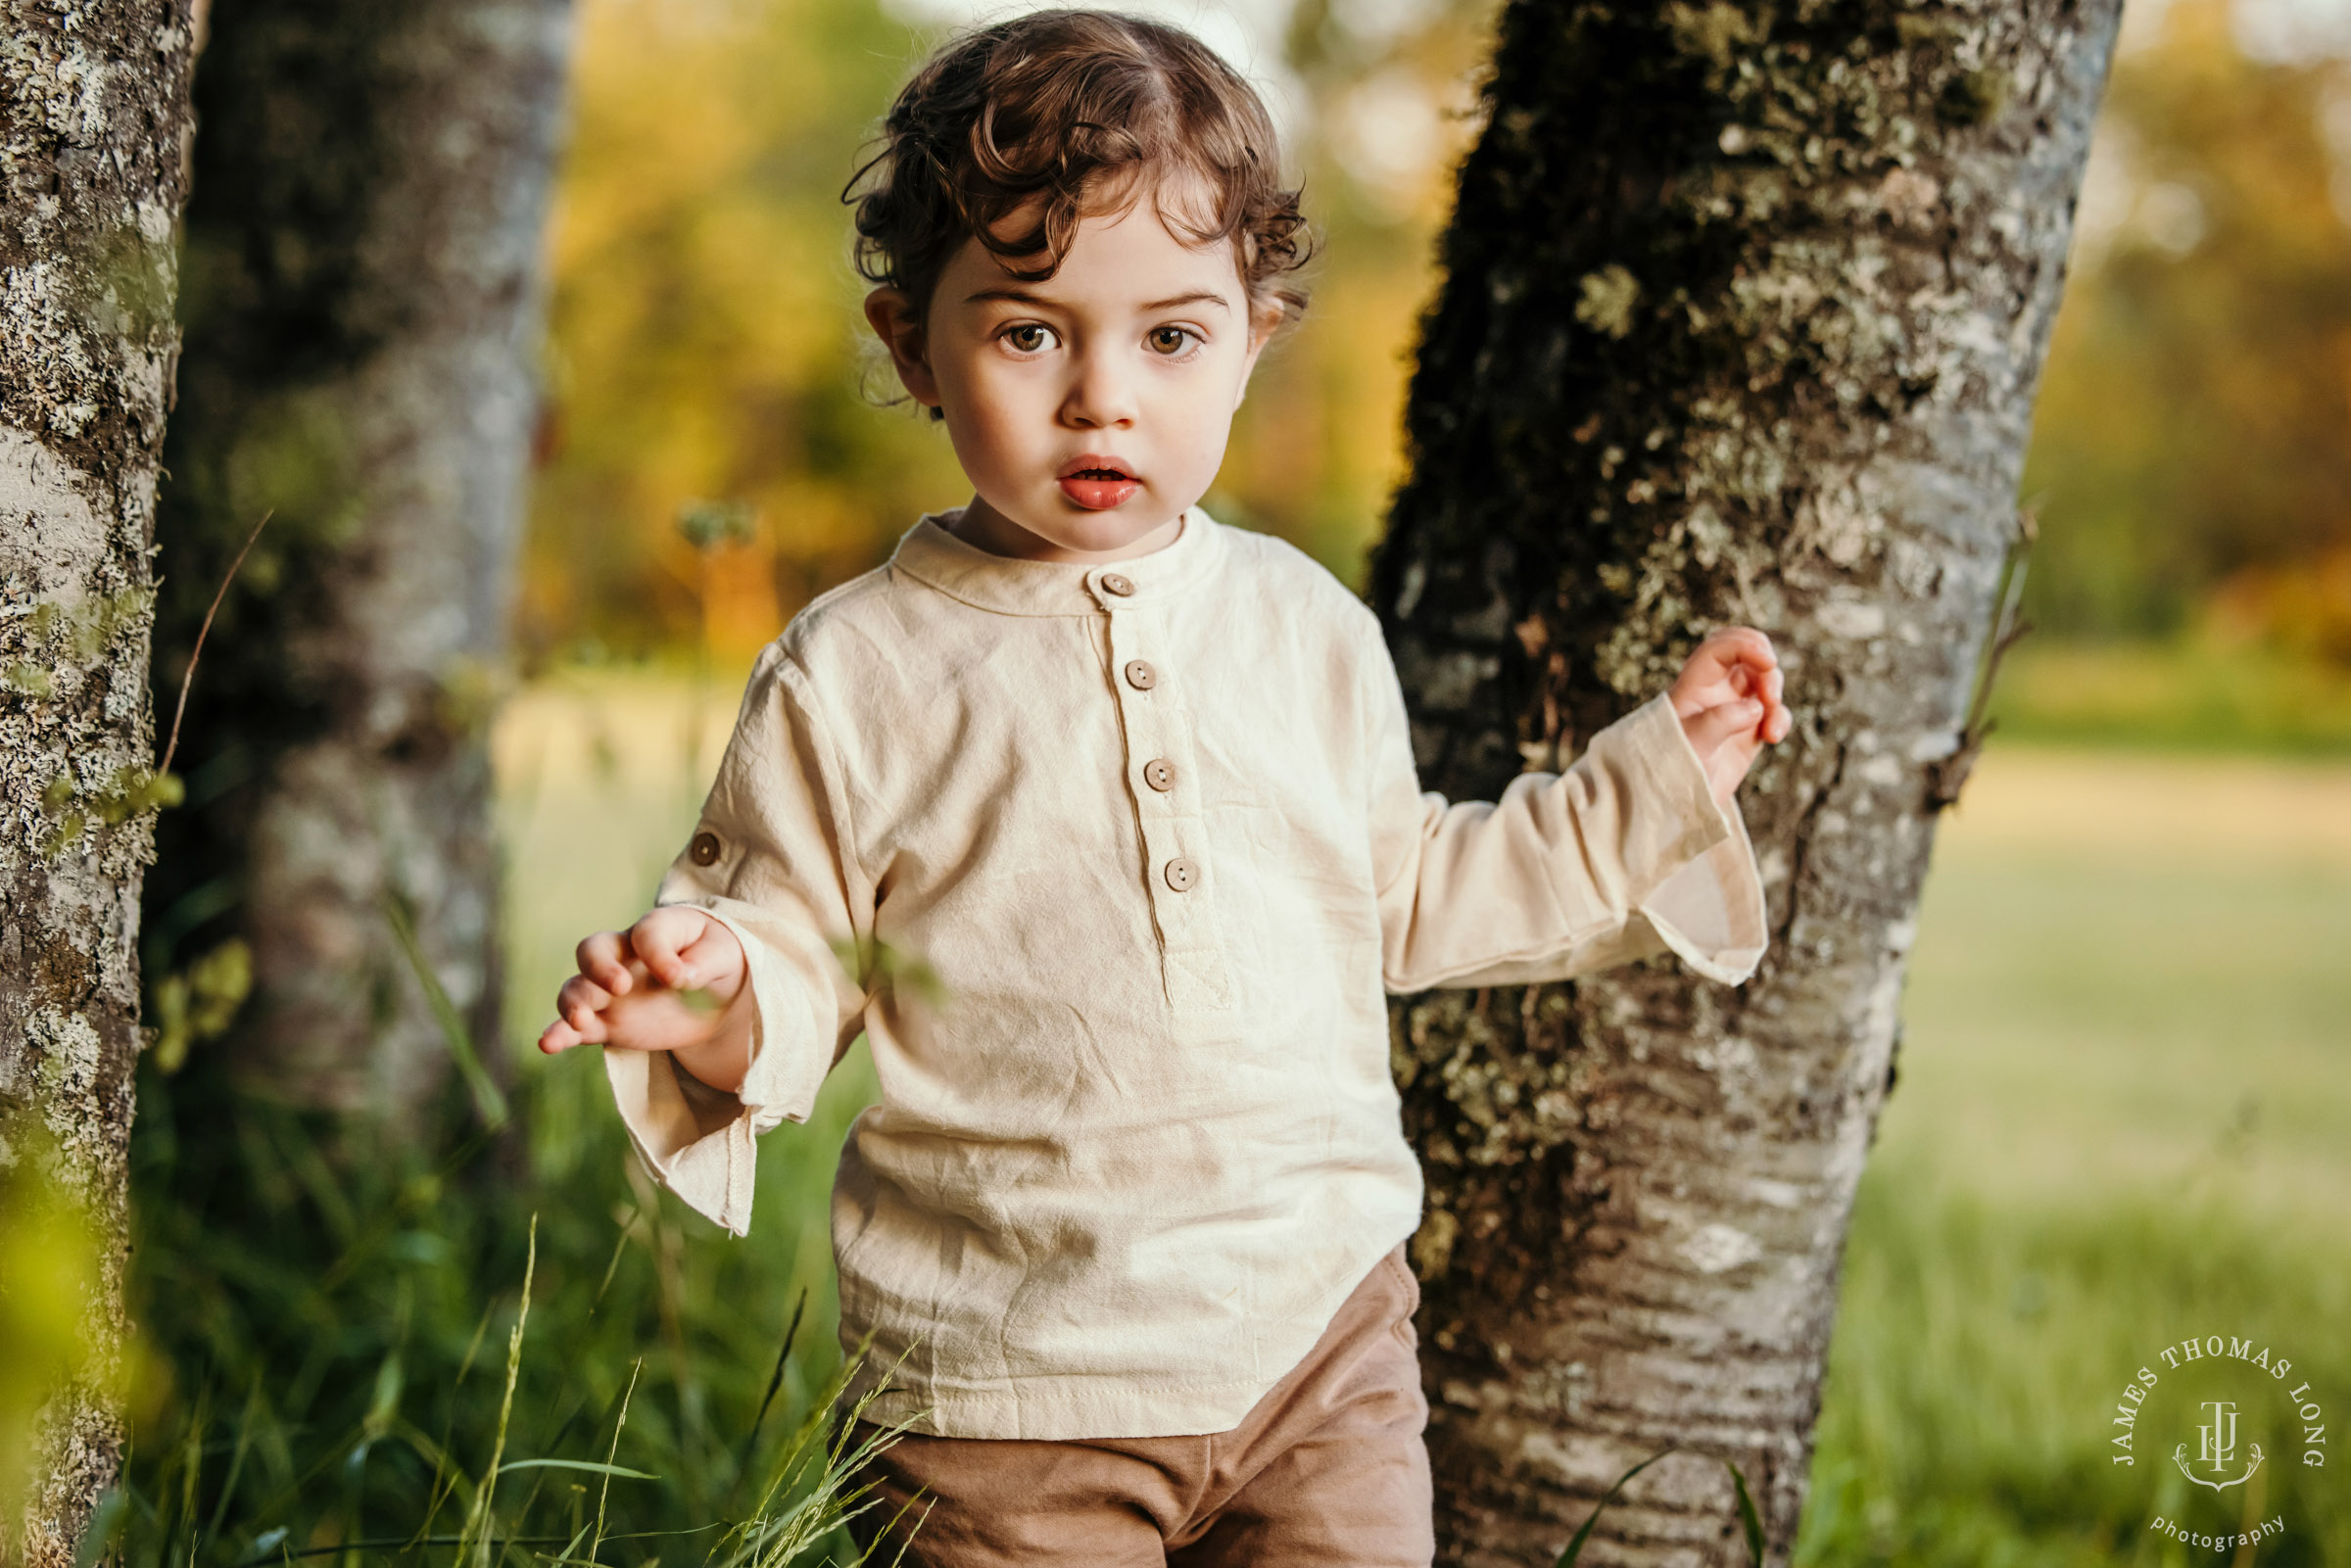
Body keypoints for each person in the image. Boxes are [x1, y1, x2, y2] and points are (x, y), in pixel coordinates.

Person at [538, 10, 1790, 1563]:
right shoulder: (854, 669)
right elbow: (796, 949)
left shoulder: (1308, 631)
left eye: (1171, 336)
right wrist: (716, 992)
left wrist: (1655, 778)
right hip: (1004, 1393)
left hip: (1320, 1354)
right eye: (1029, 330)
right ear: (910, 342)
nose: (1102, 396)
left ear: (1254, 337)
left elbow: (1405, 892)